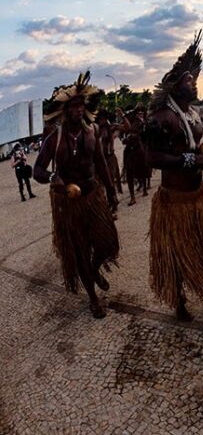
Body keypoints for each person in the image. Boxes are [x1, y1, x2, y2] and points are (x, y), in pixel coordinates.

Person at [143, 32, 203, 321]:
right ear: (175, 86)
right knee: (175, 255)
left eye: (194, 78)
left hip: (199, 197)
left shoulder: (193, 114)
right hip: (174, 203)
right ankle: (179, 301)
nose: (194, 82)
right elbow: (152, 157)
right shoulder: (162, 117)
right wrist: (188, 159)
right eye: (188, 80)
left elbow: (194, 145)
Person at [33, 71, 119, 318]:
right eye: (74, 106)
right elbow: (38, 170)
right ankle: (93, 298)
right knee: (80, 249)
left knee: (108, 243)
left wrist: (111, 191)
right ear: (65, 110)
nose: (79, 109)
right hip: (69, 203)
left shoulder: (90, 132)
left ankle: (93, 270)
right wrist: (53, 178)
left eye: (82, 105)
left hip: (93, 195)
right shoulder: (54, 139)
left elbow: (101, 162)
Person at [119, 105, 150, 205]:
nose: (139, 114)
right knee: (129, 173)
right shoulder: (128, 121)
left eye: (141, 112)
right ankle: (132, 197)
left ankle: (145, 188)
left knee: (144, 168)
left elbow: (143, 134)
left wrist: (133, 136)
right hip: (129, 150)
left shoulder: (144, 122)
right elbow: (122, 133)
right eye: (138, 113)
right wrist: (125, 138)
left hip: (139, 148)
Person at [96, 109, 123, 197]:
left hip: (109, 158)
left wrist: (122, 115)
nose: (103, 121)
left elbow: (126, 127)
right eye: (101, 119)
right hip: (99, 160)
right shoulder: (95, 129)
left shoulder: (111, 127)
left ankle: (113, 199)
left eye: (104, 118)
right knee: (99, 182)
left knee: (110, 179)